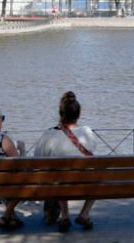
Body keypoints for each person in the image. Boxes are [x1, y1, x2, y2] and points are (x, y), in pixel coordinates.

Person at [33, 91, 101, 232]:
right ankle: (84, 213)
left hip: (58, 185)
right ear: (79, 114)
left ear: (60, 113)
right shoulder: (87, 132)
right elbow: (93, 151)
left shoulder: (49, 134)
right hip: (84, 184)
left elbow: (37, 160)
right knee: (98, 176)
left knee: (56, 175)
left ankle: (64, 215)